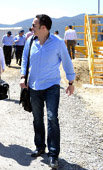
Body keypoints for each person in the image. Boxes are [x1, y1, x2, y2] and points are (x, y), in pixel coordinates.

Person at [20, 14, 75, 169]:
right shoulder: (30, 40)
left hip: (51, 87)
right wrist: (23, 76)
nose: (31, 28)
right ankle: (39, 147)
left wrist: (70, 82)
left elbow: (67, 61)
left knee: (52, 118)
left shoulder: (58, 43)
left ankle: (53, 154)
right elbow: (24, 59)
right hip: (34, 87)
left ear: (43, 28)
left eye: (34, 26)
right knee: (37, 118)